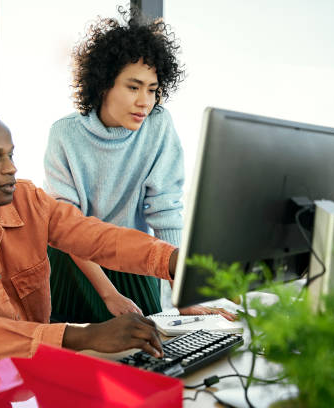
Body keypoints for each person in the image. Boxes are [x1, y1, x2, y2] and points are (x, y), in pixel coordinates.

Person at [0, 106, 178, 373]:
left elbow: (96, 238)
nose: (11, 169)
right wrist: (86, 334)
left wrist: (172, 260)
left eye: (10, 155)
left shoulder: (27, 200)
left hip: (28, 366)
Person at [44, 7, 235, 322]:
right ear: (103, 84)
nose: (145, 101)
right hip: (74, 264)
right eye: (133, 87)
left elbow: (166, 212)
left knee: (150, 344)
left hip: (134, 257)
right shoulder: (64, 134)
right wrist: (109, 293)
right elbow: (68, 228)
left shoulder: (158, 125)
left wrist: (182, 296)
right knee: (80, 354)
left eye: (152, 89)